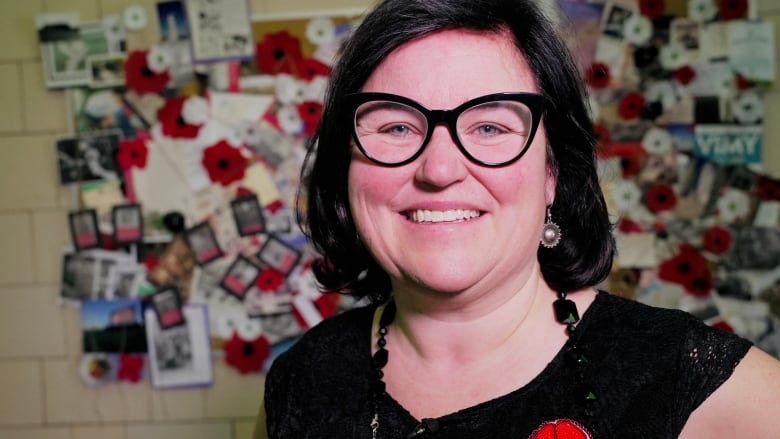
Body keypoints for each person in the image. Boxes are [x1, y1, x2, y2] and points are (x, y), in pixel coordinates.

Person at [254, 0, 780, 437]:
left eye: (490, 128)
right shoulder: (300, 379)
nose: (438, 169)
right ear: (345, 167)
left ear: (553, 172)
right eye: (395, 127)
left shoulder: (698, 387)